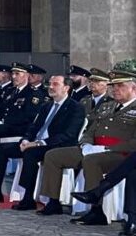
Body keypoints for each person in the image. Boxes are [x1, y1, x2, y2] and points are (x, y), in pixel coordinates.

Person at [39, 70, 136, 225]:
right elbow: (90, 129)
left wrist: (107, 149)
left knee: (92, 161)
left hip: (121, 154)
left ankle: (96, 211)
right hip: (94, 148)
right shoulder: (108, 105)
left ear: (133, 88)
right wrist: (87, 143)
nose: (115, 89)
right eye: (113, 86)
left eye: (120, 86)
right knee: (53, 155)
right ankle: (53, 202)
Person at [0, 75, 84, 209]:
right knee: (0, 148)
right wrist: (26, 139)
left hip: (55, 146)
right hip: (35, 143)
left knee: (30, 154)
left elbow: (68, 135)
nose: (50, 87)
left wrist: (39, 143)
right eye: (50, 84)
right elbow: (34, 127)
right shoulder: (47, 106)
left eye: (55, 84)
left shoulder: (75, 107)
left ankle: (28, 198)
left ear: (66, 88)